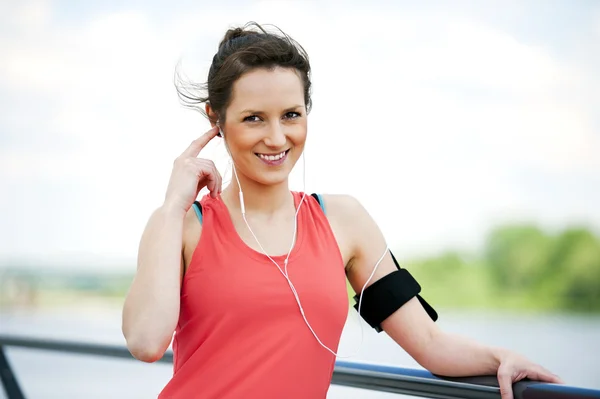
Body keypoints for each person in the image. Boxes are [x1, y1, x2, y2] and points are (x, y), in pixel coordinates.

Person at [121, 21, 563, 399]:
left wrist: (502, 358)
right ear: (215, 119)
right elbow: (145, 341)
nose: (276, 138)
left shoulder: (345, 223)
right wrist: (173, 203)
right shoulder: (181, 225)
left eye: (291, 115)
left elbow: (428, 342)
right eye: (254, 118)